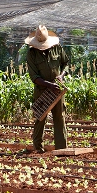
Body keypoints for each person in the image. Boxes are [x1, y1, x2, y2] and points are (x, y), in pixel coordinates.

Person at [25, 25, 70, 153]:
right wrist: (49, 85)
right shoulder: (31, 54)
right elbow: (34, 77)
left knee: (59, 117)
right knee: (40, 117)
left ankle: (61, 148)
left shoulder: (57, 48)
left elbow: (65, 64)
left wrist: (61, 76)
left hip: (58, 90)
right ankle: (37, 148)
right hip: (42, 90)